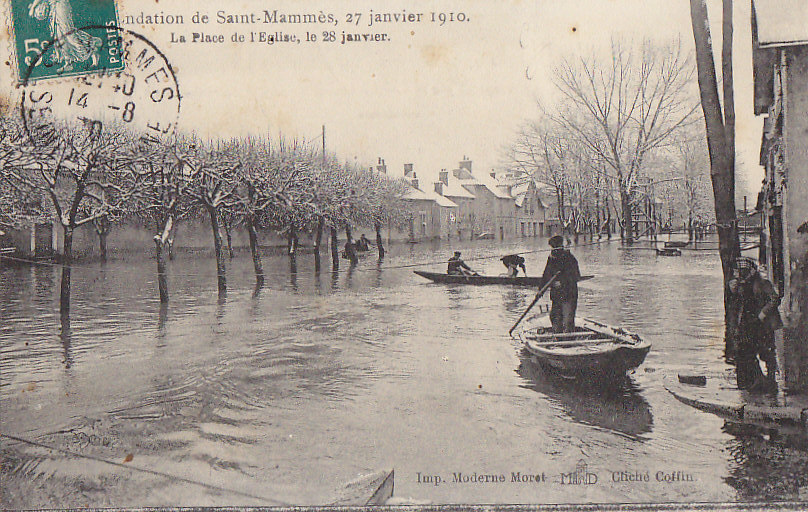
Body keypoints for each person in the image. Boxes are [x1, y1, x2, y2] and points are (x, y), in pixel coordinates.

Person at [727, 257, 782, 392]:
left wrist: (763, 313)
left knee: (767, 351)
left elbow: (774, 298)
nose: (740, 274)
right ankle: (752, 380)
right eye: (739, 272)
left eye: (742, 272)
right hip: (747, 322)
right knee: (747, 350)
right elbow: (736, 303)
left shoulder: (762, 283)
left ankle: (770, 380)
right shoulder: (739, 285)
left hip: (762, 323)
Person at [541, 235, 580, 333]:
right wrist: (541, 289)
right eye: (552, 248)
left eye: (554, 247)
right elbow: (546, 275)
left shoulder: (569, 258)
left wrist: (562, 283)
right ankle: (557, 340)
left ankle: (568, 341)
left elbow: (575, 276)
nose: (552, 250)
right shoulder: (551, 259)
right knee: (555, 317)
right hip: (556, 295)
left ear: (559, 246)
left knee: (567, 321)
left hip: (568, 294)